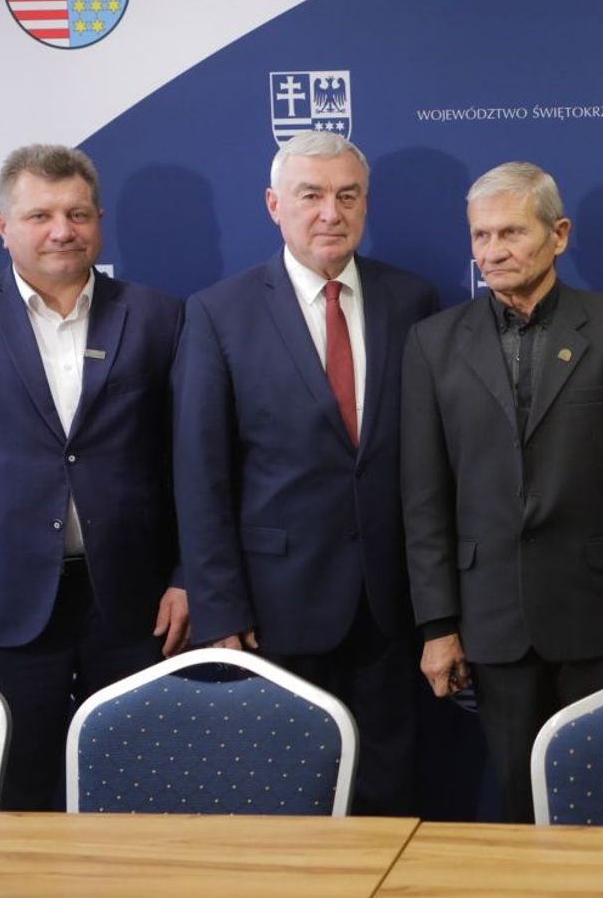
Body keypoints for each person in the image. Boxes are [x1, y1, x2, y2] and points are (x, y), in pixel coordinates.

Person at [0, 144, 187, 810]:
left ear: (99, 220)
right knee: (15, 797)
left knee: (142, 792)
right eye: (40, 215)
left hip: (136, 605)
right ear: (2, 226)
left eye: (78, 214)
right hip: (0, 605)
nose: (62, 230)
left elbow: (194, 465)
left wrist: (190, 574)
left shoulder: (161, 317)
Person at [173, 130, 438, 814]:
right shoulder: (219, 312)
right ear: (274, 204)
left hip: (390, 606)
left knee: (390, 791)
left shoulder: (411, 300)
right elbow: (201, 477)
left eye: (347, 196)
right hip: (274, 609)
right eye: (311, 195)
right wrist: (219, 608)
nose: (330, 213)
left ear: (365, 203)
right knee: (287, 797)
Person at [402, 162, 603, 822]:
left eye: (511, 233)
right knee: (520, 809)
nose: (493, 251)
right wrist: (438, 625)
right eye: (481, 235)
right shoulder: (433, 343)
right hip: (492, 620)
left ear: (559, 234)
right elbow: (423, 496)